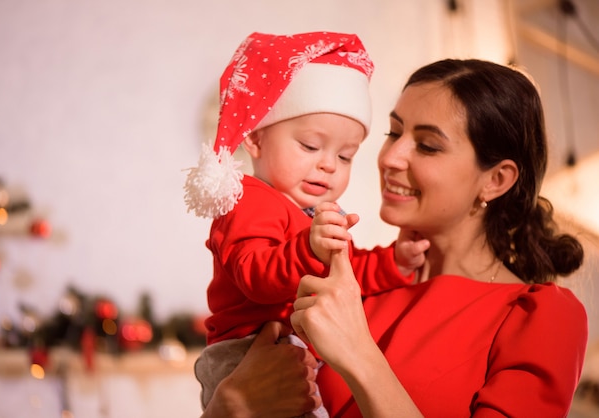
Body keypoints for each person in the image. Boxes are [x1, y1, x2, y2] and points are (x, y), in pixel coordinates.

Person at [203, 58, 589, 417]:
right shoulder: (350, 280)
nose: (389, 157)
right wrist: (225, 406)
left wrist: (359, 356)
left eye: (428, 145)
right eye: (394, 132)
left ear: (495, 180)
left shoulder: (539, 319)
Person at [183, 32, 429, 416]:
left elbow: (345, 277)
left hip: (293, 352)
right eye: (311, 146)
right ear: (256, 140)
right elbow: (255, 275)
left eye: (345, 156)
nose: (328, 164)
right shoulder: (248, 200)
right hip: (242, 355)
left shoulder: (312, 215)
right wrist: (307, 249)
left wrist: (392, 261)